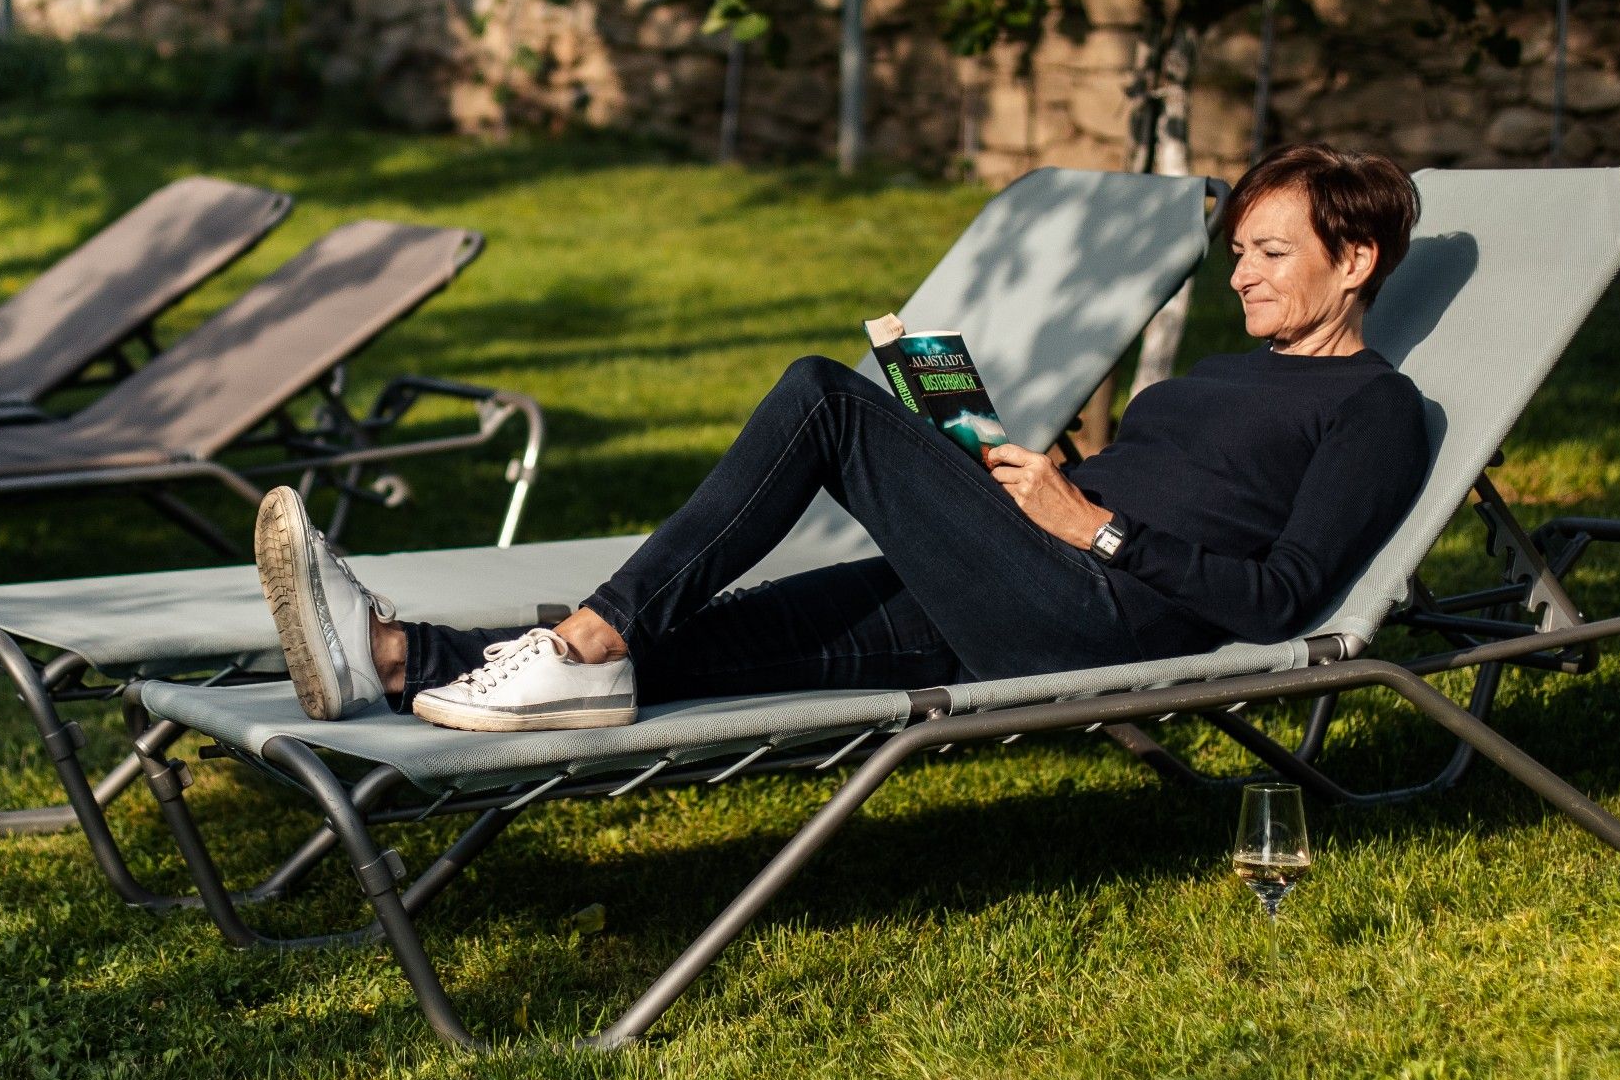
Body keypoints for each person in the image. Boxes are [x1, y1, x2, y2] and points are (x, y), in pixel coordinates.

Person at [255, 143, 1434, 734]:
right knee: (730, 639)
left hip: (1094, 613)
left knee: (823, 395)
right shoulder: (1226, 377)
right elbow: (1167, 487)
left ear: (1356, 259)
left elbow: (1279, 597)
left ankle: (590, 629)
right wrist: (1024, 475)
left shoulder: (1368, 408)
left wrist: (1099, 527)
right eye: (1235, 252)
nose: (1241, 276)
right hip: (1027, 573)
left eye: (1267, 254)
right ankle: (398, 656)